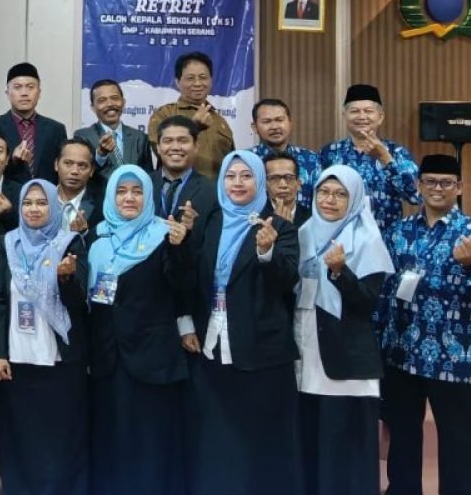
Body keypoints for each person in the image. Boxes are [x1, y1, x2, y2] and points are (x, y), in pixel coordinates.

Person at [376, 154, 471, 495]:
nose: (437, 188)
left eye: (446, 183)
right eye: (430, 181)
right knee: (403, 436)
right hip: (402, 351)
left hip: (452, 356)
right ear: (419, 185)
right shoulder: (399, 232)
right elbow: (383, 290)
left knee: (459, 439)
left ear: (458, 187)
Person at [180, 150, 301, 495]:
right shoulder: (211, 221)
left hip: (261, 352)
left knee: (260, 440)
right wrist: (185, 322)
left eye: (246, 176)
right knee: (216, 439)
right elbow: (191, 278)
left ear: (259, 182)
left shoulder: (279, 226)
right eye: (230, 176)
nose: (237, 183)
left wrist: (266, 253)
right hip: (211, 347)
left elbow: (287, 282)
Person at [86, 165, 193, 494]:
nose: (129, 198)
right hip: (108, 360)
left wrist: (179, 247)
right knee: (112, 440)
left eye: (137, 191)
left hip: (151, 360)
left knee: (152, 443)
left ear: (148, 197)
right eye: (121, 191)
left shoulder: (164, 235)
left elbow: (182, 285)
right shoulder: (97, 239)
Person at [294, 166, 395, 495]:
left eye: (340, 194)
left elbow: (367, 304)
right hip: (306, 351)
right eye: (324, 192)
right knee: (311, 446)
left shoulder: (367, 239)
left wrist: (340, 272)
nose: (330, 200)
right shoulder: (303, 232)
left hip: (347, 360)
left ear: (354, 199)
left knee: (347, 454)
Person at [0, 179, 90, 495]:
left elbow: (80, 305)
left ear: (54, 207)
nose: (34, 209)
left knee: (61, 438)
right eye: (28, 203)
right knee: (21, 438)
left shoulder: (70, 243)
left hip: (61, 362)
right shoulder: (7, 243)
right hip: (17, 362)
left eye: (42, 203)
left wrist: (67, 279)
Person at [319, 83, 420, 231]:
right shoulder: (329, 153)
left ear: (380, 117)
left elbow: (415, 196)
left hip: (386, 239)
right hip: (340, 238)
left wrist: (385, 158)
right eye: (355, 111)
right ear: (344, 116)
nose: (362, 116)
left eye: (368, 111)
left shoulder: (397, 153)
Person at [147, 51, 235, 176]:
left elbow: (231, 165)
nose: (197, 83)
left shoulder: (220, 121)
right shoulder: (164, 114)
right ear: (177, 82)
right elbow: (162, 152)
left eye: (203, 77)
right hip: (177, 187)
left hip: (216, 188)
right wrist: (193, 127)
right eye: (190, 78)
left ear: (211, 81)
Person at [0, 62, 67, 185]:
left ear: (39, 93)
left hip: (46, 195)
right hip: (6, 195)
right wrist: (11, 160)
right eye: (17, 87)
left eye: (30, 87)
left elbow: (62, 170)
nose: (24, 93)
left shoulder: (56, 129)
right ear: (7, 93)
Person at [75, 79, 154, 186]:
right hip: (99, 196)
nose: (110, 104)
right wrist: (101, 155)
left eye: (115, 98)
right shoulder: (83, 136)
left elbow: (148, 177)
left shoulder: (140, 138)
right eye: (102, 100)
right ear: (93, 107)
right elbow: (82, 173)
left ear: (123, 102)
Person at [249, 98, 321, 209]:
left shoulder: (310, 159)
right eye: (267, 121)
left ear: (290, 123)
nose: (274, 127)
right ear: (254, 127)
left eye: (279, 120)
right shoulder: (245, 161)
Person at [55, 138, 103, 243]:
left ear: (92, 170)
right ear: (56, 165)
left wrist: (84, 234)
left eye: (82, 165)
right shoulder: (41, 199)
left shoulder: (102, 207)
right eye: (68, 163)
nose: (74, 171)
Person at [265, 151, 313, 227]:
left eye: (288, 177)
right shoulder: (255, 217)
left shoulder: (311, 218)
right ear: (265, 185)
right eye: (274, 178)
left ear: (298, 184)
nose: (283, 185)